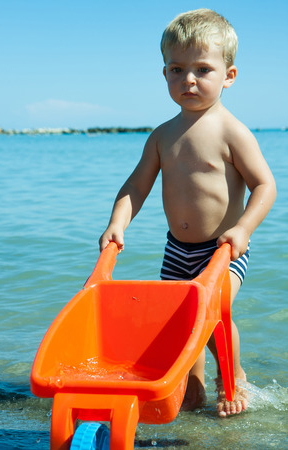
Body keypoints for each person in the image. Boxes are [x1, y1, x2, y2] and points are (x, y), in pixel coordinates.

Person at [99, 9, 276, 417]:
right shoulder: (162, 135)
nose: (189, 79)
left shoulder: (232, 131)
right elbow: (136, 186)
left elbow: (265, 185)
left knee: (210, 314)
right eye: (177, 69)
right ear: (164, 75)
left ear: (229, 76)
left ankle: (232, 379)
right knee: (182, 327)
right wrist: (117, 223)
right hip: (177, 251)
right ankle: (192, 391)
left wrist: (244, 228)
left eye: (202, 69)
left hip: (223, 250)